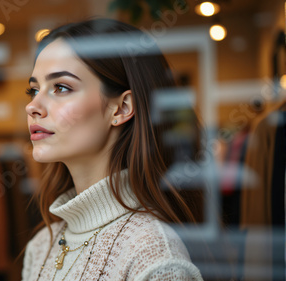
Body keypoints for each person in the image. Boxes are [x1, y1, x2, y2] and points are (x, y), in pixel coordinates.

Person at [22, 18, 204, 280]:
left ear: (121, 108)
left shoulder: (155, 257)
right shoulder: (41, 246)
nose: (33, 106)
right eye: (34, 89)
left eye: (61, 87)